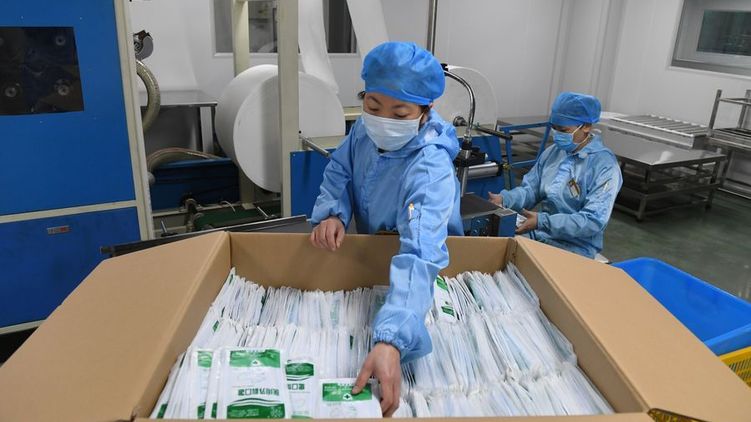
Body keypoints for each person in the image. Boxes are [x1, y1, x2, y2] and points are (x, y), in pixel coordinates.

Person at [309, 41, 463, 416]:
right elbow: (341, 169)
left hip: (423, 276)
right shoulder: (365, 130)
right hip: (374, 257)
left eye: (400, 112)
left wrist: (390, 339)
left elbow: (420, 254)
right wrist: (333, 213)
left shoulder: (430, 167)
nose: (383, 120)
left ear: (425, 111)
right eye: (373, 105)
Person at [489, 92, 622, 259]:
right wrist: (505, 199)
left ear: (586, 126)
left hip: (576, 248)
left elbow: (593, 221)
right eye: (555, 128)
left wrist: (542, 221)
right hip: (542, 235)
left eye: (563, 130)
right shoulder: (554, 152)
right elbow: (531, 190)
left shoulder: (605, 166)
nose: (557, 135)